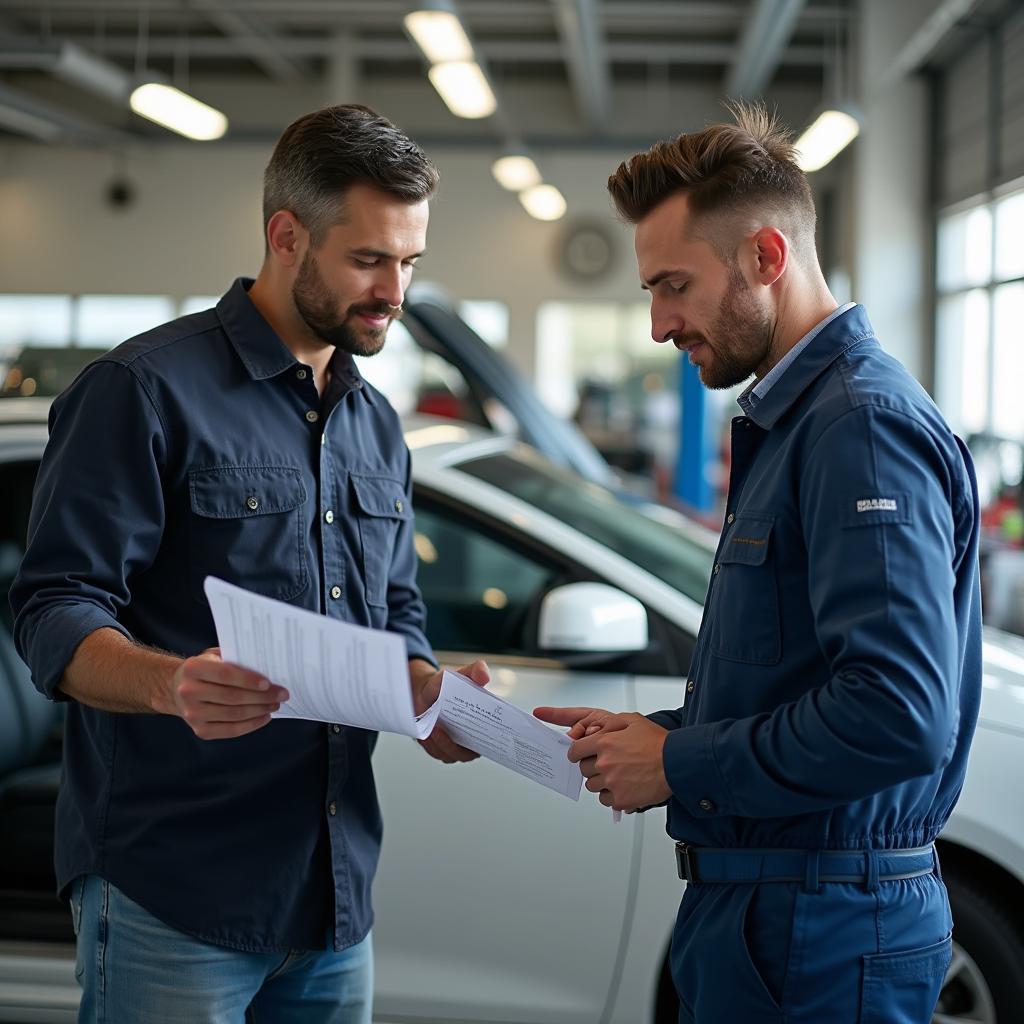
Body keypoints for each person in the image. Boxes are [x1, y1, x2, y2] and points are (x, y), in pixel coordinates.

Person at [10, 104, 488, 1024]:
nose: (395, 289)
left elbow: (394, 614)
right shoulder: (142, 391)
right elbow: (52, 608)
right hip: (173, 893)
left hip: (333, 897)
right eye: (369, 260)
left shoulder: (375, 424)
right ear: (285, 236)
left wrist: (428, 694)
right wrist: (169, 683)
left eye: (410, 263)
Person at [536, 102, 982, 1024]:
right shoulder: (798, 421)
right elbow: (802, 673)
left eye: (674, 286)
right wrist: (654, 737)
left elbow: (899, 713)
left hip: (821, 925)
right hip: (772, 912)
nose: (660, 324)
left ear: (766, 258)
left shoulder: (858, 427)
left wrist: (683, 761)